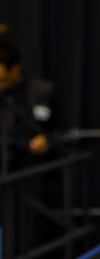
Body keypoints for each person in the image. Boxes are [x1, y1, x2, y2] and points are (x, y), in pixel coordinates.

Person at [0, 26, 55, 174]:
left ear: (15, 69)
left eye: (3, 80)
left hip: (31, 168)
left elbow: (48, 125)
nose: (1, 86)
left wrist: (44, 139)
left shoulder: (38, 92)